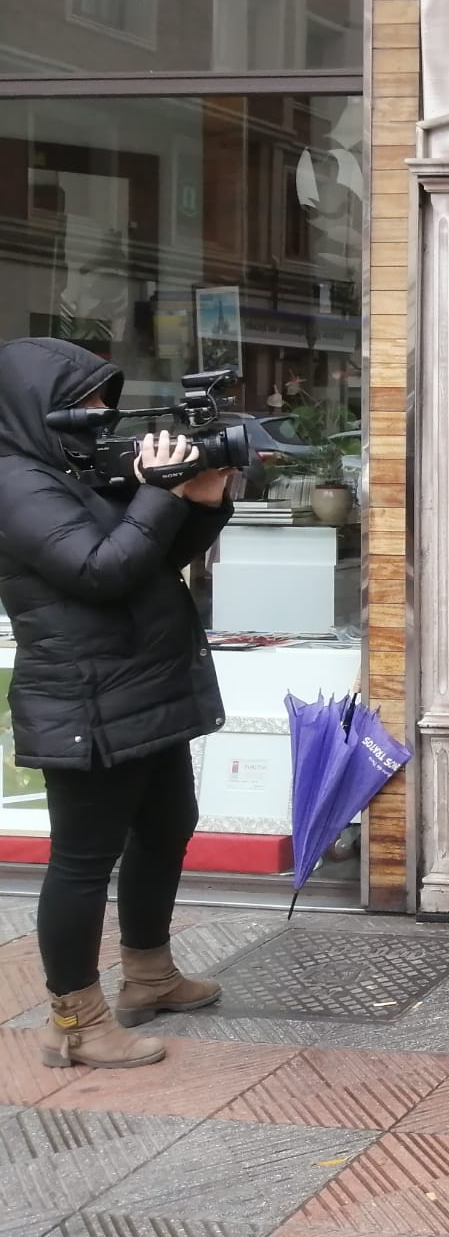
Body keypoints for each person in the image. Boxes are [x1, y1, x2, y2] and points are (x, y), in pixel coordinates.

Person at [0, 339, 236, 1069]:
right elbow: (99, 571)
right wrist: (159, 493)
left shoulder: (67, 469)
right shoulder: (16, 482)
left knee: (168, 825)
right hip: (85, 693)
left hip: (141, 681)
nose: (101, 415)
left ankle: (149, 973)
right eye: (88, 400)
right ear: (39, 406)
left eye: (105, 399)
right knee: (82, 859)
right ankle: (75, 1021)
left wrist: (203, 501)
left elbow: (152, 557)